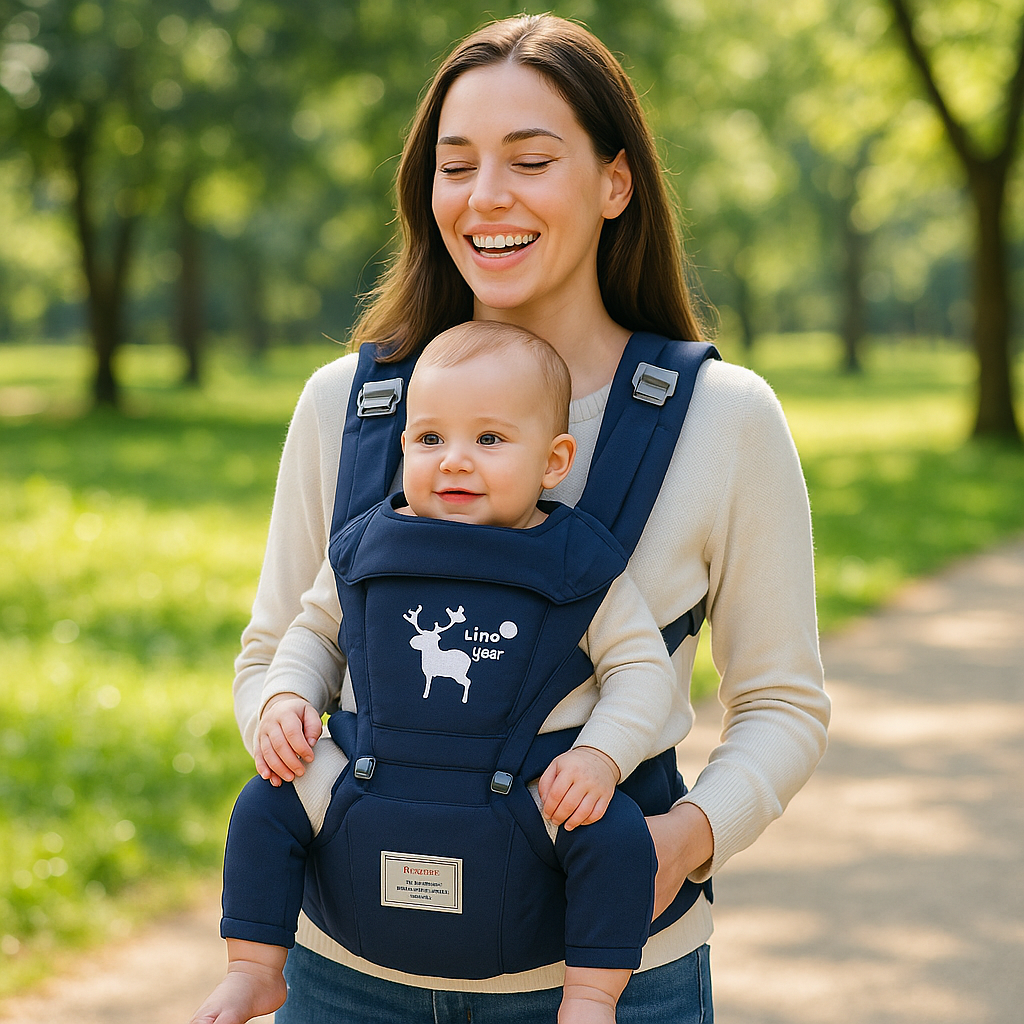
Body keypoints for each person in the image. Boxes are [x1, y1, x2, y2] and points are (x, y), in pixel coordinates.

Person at [231, 13, 830, 1024]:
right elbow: (272, 653)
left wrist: (680, 841)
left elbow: (782, 703)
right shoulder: (352, 404)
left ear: (614, 182)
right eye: (453, 164)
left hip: (609, 982)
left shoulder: (722, 420)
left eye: (530, 159)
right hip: (345, 977)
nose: (485, 196)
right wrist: (297, 755)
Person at [192, 320, 692, 1024]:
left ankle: (589, 993)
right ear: (403, 447)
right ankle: (253, 966)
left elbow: (643, 672)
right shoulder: (371, 545)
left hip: (530, 792)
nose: (454, 461)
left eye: (489, 440)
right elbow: (311, 634)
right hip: (372, 775)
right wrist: (283, 701)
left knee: (613, 838)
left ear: (554, 462)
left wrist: (600, 759)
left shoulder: (579, 563)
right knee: (268, 801)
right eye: (431, 439)